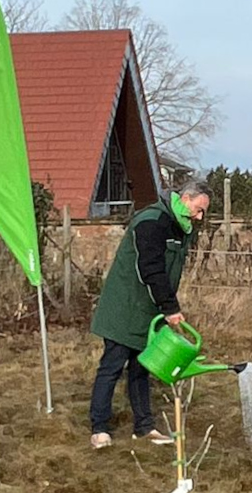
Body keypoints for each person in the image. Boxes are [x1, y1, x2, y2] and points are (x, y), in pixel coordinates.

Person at [87, 180, 212, 448]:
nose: (200, 217)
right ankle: (99, 428)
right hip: (125, 305)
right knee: (112, 366)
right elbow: (151, 268)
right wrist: (170, 307)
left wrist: (163, 306)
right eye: (199, 210)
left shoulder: (181, 227)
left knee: (142, 367)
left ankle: (144, 427)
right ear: (186, 199)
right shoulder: (152, 221)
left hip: (148, 308)